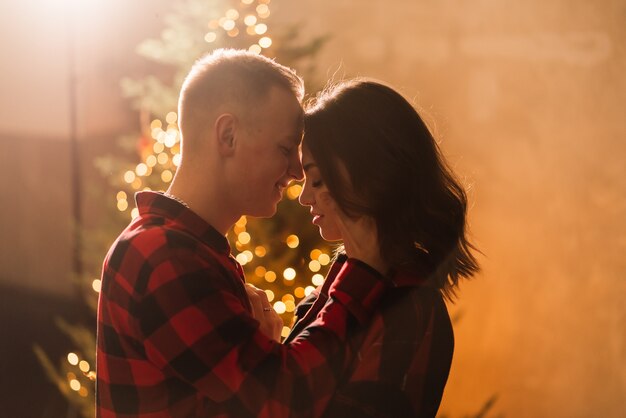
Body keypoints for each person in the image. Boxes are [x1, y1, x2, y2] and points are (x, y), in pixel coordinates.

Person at [96, 50, 392, 418]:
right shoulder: (164, 256)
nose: (298, 171)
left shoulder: (189, 248)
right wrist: (361, 272)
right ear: (228, 135)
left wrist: (267, 351)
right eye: (285, 148)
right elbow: (288, 399)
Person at [288, 79, 480, 417]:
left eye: (316, 180)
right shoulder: (344, 285)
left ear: (371, 176)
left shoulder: (406, 306)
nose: (305, 197)